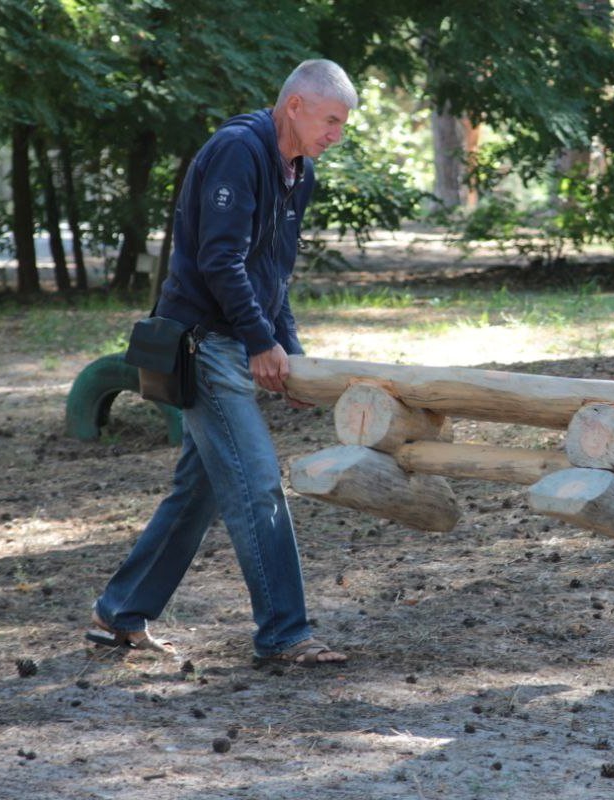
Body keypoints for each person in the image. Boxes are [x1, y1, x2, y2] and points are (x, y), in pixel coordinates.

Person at [86, 59, 358, 666]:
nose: (337, 133)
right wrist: (262, 342)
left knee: (197, 491)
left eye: (343, 124)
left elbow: (274, 275)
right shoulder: (238, 149)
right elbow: (220, 261)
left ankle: (119, 611)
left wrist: (290, 352)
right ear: (294, 106)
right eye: (331, 120)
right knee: (259, 485)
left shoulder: (298, 171)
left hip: (238, 339)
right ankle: (285, 633)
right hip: (202, 344)